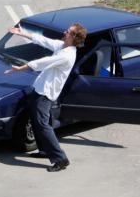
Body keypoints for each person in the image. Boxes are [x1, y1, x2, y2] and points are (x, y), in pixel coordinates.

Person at [5, 23, 87, 172]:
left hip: (45, 94)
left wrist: (21, 68)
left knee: (42, 125)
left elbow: (43, 62)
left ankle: (61, 159)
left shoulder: (67, 55)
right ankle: (44, 150)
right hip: (40, 89)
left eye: (68, 31)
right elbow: (43, 40)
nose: (64, 31)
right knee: (39, 122)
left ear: (73, 37)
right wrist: (21, 33)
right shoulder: (62, 46)